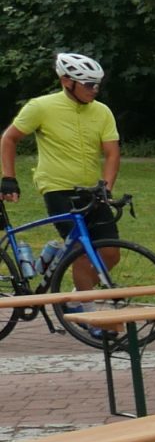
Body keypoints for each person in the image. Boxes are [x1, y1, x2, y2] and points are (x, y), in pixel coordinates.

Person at [1, 52, 122, 293]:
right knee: (81, 251)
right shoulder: (41, 107)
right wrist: (8, 178)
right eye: (88, 84)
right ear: (67, 81)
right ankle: (83, 310)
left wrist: (106, 188)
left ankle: (76, 295)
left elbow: (112, 153)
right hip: (58, 189)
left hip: (92, 190)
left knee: (111, 252)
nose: (94, 90)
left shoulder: (102, 112)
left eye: (97, 84)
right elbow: (9, 138)